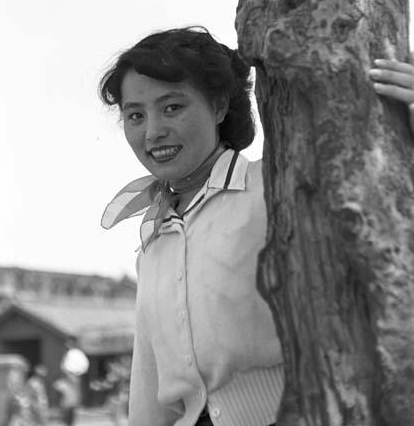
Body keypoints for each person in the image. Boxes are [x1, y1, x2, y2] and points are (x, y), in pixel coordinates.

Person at [99, 27, 414, 426]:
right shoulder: (154, 240)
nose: (153, 130)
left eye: (172, 107)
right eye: (135, 115)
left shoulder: (278, 186)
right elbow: (149, 391)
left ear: (217, 107)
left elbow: (392, 216)